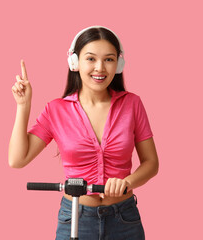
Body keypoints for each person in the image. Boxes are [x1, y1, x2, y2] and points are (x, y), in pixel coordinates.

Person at [8, 26, 159, 240]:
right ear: (75, 62)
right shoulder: (56, 109)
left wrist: (128, 182)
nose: (100, 68)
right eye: (90, 59)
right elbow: (17, 159)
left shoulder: (132, 104)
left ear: (118, 64)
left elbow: (151, 162)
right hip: (75, 219)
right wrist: (23, 106)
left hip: (124, 219)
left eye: (108, 59)